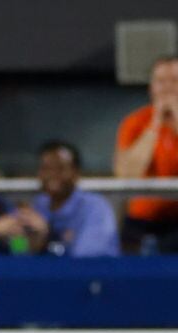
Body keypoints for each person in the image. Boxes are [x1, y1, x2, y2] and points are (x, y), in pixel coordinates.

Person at [114, 56, 178, 253]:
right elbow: (126, 174)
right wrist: (155, 125)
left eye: (175, 80)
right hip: (142, 222)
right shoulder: (135, 122)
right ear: (151, 87)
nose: (167, 88)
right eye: (160, 81)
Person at [33, 141, 119, 257]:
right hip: (43, 274)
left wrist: (48, 236)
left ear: (76, 173)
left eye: (60, 168)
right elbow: (17, 250)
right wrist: (26, 244)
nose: (52, 174)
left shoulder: (95, 207)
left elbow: (87, 260)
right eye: (46, 168)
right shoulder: (37, 206)